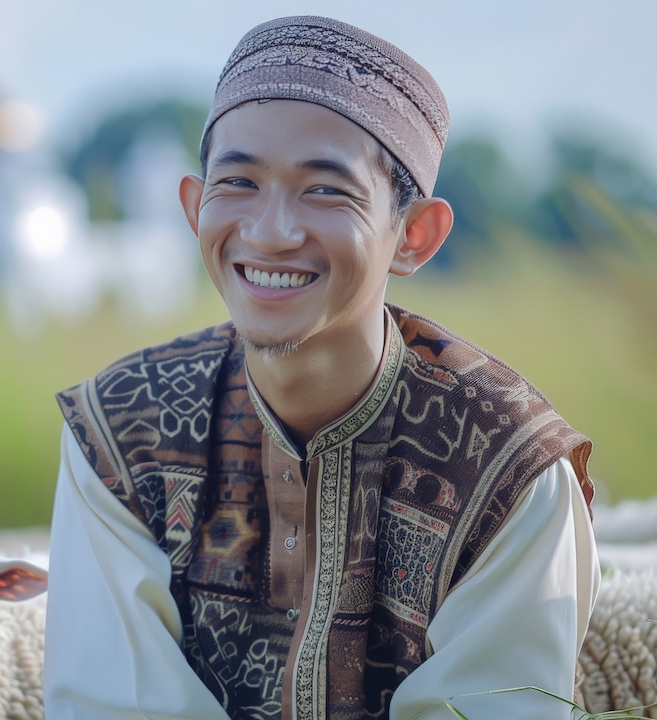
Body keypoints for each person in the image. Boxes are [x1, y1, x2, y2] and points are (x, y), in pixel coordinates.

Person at [43, 15, 600, 720]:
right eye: (238, 182)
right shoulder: (121, 433)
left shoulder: (509, 465)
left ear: (414, 236)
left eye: (326, 190)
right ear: (195, 207)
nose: (270, 231)